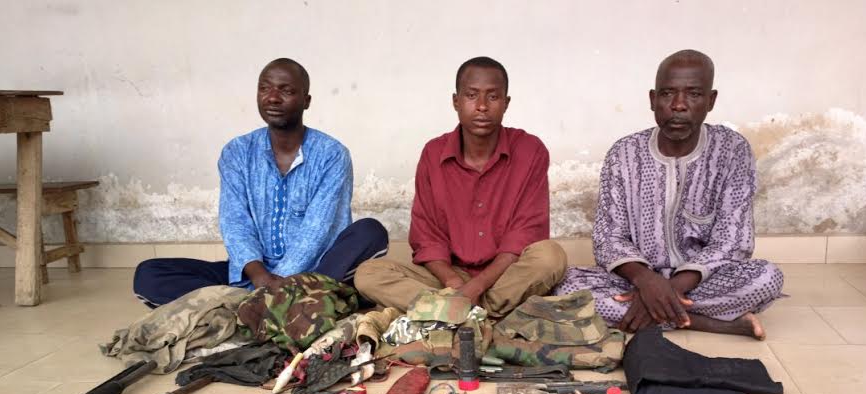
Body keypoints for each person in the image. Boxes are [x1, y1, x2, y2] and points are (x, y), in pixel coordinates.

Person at [553, 50, 783, 339]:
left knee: (766, 278)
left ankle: (653, 313)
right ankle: (713, 323)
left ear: (710, 101)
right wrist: (647, 282)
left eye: (694, 94)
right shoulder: (624, 153)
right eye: (667, 94)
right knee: (567, 287)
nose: (678, 105)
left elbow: (733, 240)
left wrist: (669, 289)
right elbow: (608, 238)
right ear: (652, 99)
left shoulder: (732, 150)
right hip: (635, 279)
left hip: (700, 280)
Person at [133, 58, 388, 307]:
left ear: (306, 101)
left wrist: (279, 283)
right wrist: (259, 277)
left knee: (370, 232)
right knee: (150, 273)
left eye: (286, 90)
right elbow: (234, 221)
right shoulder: (237, 152)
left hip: (316, 271)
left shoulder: (331, 154)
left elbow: (318, 229)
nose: (273, 98)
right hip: (256, 277)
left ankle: (251, 308)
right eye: (264, 88)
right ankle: (280, 308)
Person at [354, 56, 566, 317]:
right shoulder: (434, 153)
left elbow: (524, 234)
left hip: (505, 276)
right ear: (456, 101)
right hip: (447, 280)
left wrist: (477, 286)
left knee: (551, 256)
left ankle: (450, 314)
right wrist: (455, 284)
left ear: (506, 103)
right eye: (471, 95)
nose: (481, 107)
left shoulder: (529, 150)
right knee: (368, 274)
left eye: (493, 97)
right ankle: (477, 314)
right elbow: (427, 237)